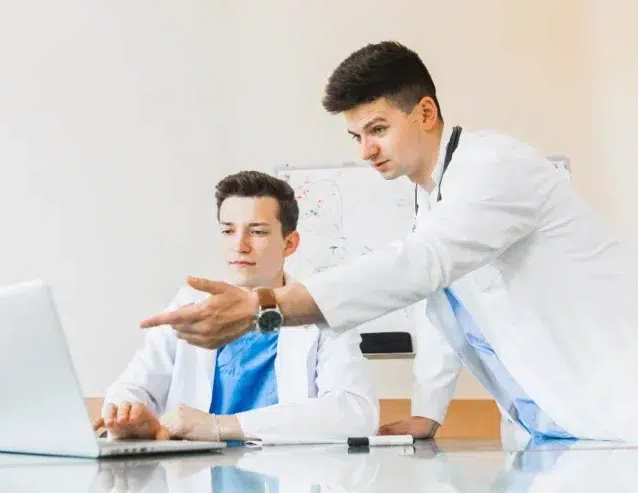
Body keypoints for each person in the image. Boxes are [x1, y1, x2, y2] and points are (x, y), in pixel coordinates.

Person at [141, 41, 638, 443]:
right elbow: (443, 306)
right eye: (356, 135)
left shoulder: (496, 167)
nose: (365, 150)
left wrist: (264, 305)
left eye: (377, 129)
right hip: (554, 424)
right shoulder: (431, 199)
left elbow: (423, 266)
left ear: (425, 112)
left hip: (613, 409)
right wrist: (427, 411)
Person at [95, 171, 379, 442]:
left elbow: (356, 413)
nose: (240, 246)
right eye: (228, 231)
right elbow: (134, 386)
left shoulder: (320, 312)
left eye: (257, 232)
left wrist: (221, 426)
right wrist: (125, 413)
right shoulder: (189, 304)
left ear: (289, 243)